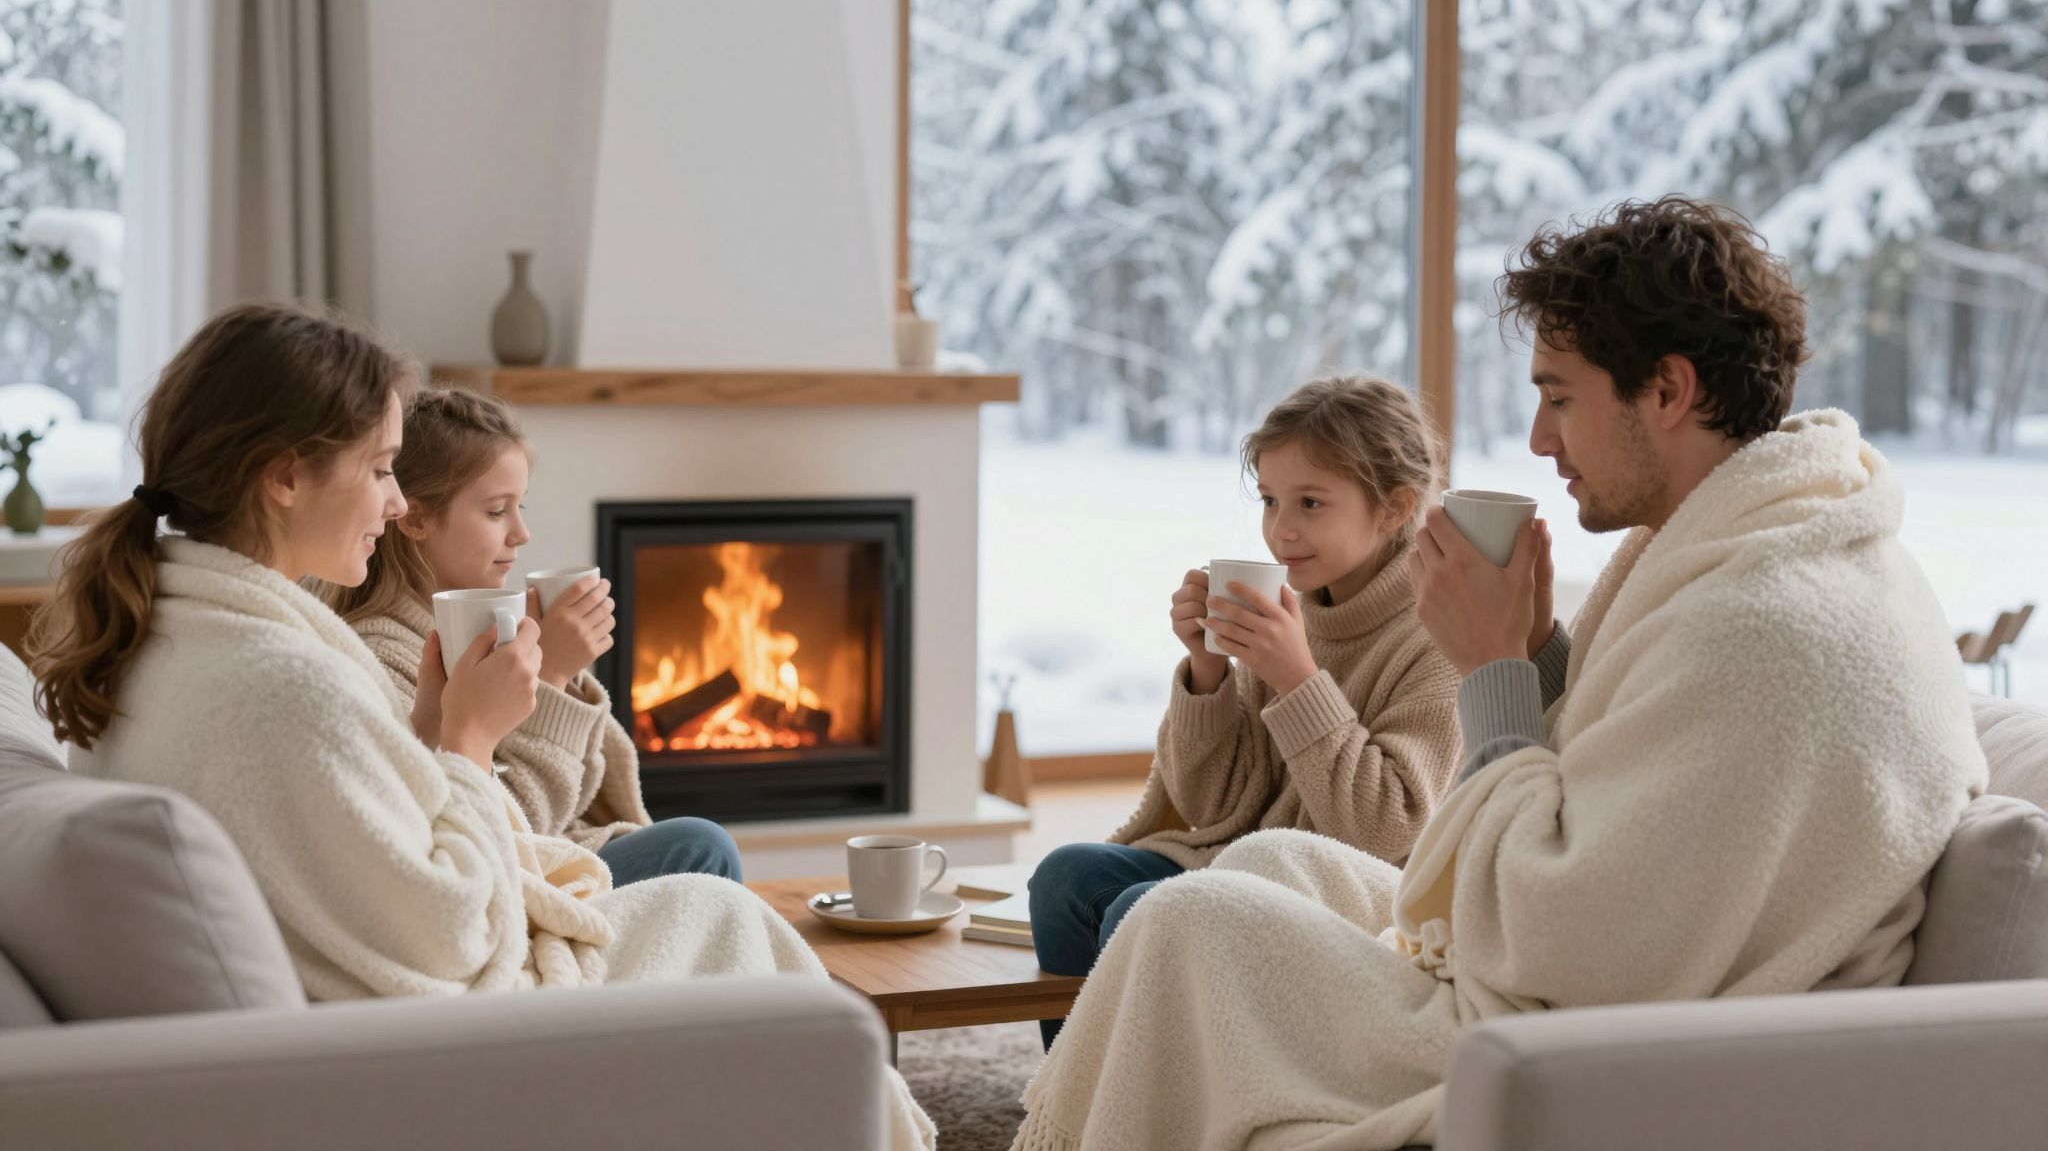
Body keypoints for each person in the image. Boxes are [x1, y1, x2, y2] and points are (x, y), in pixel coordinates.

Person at [1004, 196, 1985, 1151]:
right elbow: (1627, 754)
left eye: (1557, 396)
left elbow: (1556, 934)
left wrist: (1491, 667)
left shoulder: (1762, 625)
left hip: (1586, 1036)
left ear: (1668, 389)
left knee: (1191, 923)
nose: (1536, 439)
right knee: (1258, 865)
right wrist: (1540, 648)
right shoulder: (1755, 546)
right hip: (1570, 964)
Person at [30, 302, 933, 1149]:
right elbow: (453, 943)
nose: (393, 504)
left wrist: (429, 728)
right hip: (435, 1053)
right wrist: (467, 740)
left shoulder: (181, 640)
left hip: (370, 1020)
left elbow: (366, 844)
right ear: (283, 475)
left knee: (708, 899)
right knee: (719, 911)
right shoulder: (282, 687)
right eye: (382, 469)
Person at [1026, 374, 1461, 1049]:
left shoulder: (1439, 636)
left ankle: (1151, 1111)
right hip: (1245, 859)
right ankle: (1077, 1100)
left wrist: (1296, 678)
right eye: (1269, 500)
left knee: (1144, 911)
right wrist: (1207, 671)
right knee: (1068, 877)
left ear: (1395, 508)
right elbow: (1211, 806)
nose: (1281, 531)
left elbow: (1384, 829)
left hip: (1350, 897)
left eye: (1311, 503)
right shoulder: (1296, 610)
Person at [325, 386, 740, 886]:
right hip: (506, 877)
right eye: (497, 511)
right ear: (415, 518)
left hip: (540, 856)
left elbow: (580, 798)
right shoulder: (383, 656)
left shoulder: (481, 633)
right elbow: (511, 826)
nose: (521, 534)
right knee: (700, 847)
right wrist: (554, 678)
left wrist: (554, 674)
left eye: (522, 507)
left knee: (699, 849)